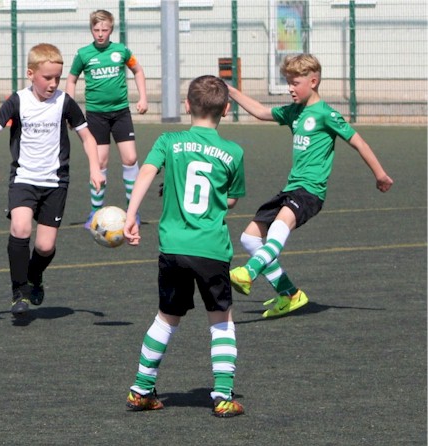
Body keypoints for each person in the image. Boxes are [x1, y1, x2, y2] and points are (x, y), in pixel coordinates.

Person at [226, 53, 393, 318]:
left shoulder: (326, 114)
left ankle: (249, 271)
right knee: (249, 237)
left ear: (313, 82)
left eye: (295, 83)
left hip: (310, 191)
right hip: (291, 189)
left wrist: (380, 174)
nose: (290, 89)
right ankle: (290, 294)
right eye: (288, 83)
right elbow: (260, 111)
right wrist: (231, 91)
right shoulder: (294, 112)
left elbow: (358, 141)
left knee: (279, 227)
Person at [123, 75, 246, 418]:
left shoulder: (169, 141)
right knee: (221, 320)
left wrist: (131, 215)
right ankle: (223, 396)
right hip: (211, 249)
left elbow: (145, 173)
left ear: (187, 105)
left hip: (173, 247)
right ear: (226, 108)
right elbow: (231, 200)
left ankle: (141, 389)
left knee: (166, 317)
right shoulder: (234, 152)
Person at [0, 43, 105, 317]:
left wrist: (95, 169)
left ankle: (35, 275)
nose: (53, 84)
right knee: (20, 228)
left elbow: (87, 137)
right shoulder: (17, 101)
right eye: (47, 77)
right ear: (30, 74)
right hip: (23, 179)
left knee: (45, 246)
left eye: (57, 78)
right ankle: (19, 291)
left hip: (55, 182)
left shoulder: (64, 102)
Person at [65, 9, 148, 227]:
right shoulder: (83, 54)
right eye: (96, 30)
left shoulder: (121, 51)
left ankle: (132, 212)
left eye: (105, 29)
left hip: (121, 113)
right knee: (100, 161)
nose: (100, 34)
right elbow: (71, 80)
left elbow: (138, 71)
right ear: (91, 30)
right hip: (96, 115)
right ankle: (95, 213)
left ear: (111, 29)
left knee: (130, 158)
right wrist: (70, 110)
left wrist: (143, 97)